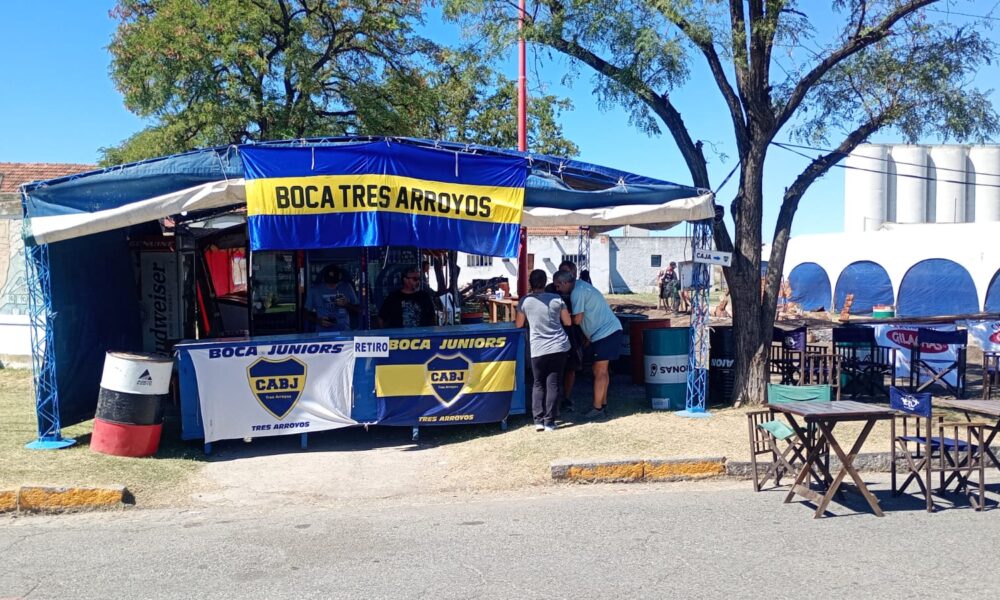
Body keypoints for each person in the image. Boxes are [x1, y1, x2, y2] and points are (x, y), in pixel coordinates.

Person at [553, 270, 623, 420]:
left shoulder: (577, 292)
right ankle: (602, 404)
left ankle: (597, 408)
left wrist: (563, 317)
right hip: (607, 332)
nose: (558, 289)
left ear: (565, 283)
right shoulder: (581, 286)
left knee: (599, 371)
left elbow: (577, 319)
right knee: (602, 371)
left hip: (605, 333)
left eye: (558, 286)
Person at [515, 269, 571, 432]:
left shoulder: (525, 301)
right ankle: (550, 422)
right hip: (558, 346)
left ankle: (538, 420)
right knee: (553, 384)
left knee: (538, 383)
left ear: (530, 283)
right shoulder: (556, 299)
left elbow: (519, 324)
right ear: (546, 282)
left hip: (538, 348)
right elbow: (567, 322)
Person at [545, 260, 584, 412]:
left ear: (573, 274)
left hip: (573, 334)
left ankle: (566, 398)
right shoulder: (551, 289)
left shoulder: (579, 290)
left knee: (571, 368)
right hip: (554, 333)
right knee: (553, 369)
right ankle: (552, 400)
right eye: (561, 271)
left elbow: (582, 315)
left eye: (567, 272)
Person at [305, 265, 359, 332]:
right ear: (324, 279)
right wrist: (318, 321)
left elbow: (359, 310)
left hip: (344, 331)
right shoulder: (314, 290)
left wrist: (346, 304)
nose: (331, 285)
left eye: (334, 282)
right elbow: (305, 314)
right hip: (322, 333)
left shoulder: (347, 287)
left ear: (340, 277)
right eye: (328, 283)